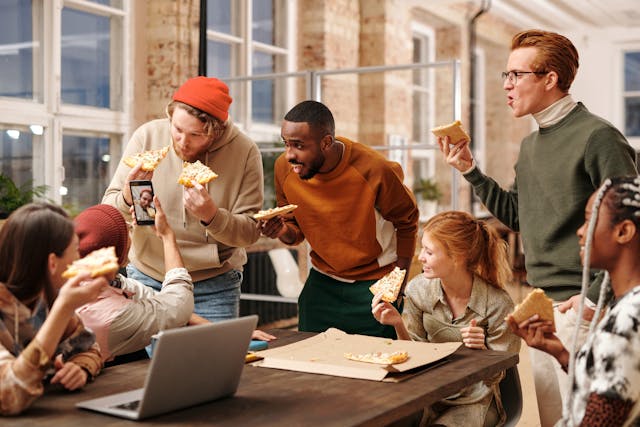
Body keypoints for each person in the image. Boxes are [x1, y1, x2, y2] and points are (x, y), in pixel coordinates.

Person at [437, 29, 637, 426]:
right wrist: (471, 171)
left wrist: (595, 298)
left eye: (517, 75)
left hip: (587, 308)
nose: (507, 86)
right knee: (554, 419)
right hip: (544, 307)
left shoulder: (598, 137)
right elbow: (516, 215)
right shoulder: (530, 146)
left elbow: (632, 223)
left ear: (550, 79)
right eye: (505, 76)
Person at [103, 76, 264, 322]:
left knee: (215, 360)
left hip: (214, 284)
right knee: (147, 362)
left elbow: (250, 232)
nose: (182, 142)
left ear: (216, 131)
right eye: (177, 129)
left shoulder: (245, 152)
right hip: (149, 278)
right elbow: (109, 211)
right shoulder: (146, 137)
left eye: (195, 135)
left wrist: (213, 216)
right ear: (170, 116)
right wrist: (127, 197)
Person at [258, 100, 419, 338]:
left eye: (298, 145)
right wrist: (280, 229)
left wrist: (397, 286)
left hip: (373, 283)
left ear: (326, 143)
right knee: (312, 363)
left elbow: (407, 222)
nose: (289, 154)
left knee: (377, 367)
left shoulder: (375, 170)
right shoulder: (286, 169)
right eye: (286, 144)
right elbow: (294, 232)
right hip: (322, 281)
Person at [508, 175, 640, 426]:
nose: (580, 232)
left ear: (624, 231)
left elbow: (599, 420)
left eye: (590, 220)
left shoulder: (627, 320)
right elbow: (609, 379)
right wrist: (558, 350)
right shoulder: (626, 307)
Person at [372, 211, 520, 426]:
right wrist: (397, 324)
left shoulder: (498, 304)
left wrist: (483, 351)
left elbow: (497, 375)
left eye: (429, 252)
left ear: (457, 257)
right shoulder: (417, 289)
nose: (420, 257)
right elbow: (414, 360)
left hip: (474, 402)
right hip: (426, 395)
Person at [0, 203, 106, 415]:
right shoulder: (56, 303)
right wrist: (63, 308)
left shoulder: (44, 299)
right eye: (76, 250)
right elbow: (8, 395)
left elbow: (89, 348)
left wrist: (80, 367)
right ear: (52, 263)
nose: (80, 259)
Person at [74, 201, 195, 363]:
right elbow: (179, 304)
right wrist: (167, 236)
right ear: (117, 259)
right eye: (127, 230)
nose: (130, 228)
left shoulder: (91, 277)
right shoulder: (111, 314)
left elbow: (150, 297)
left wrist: (215, 330)